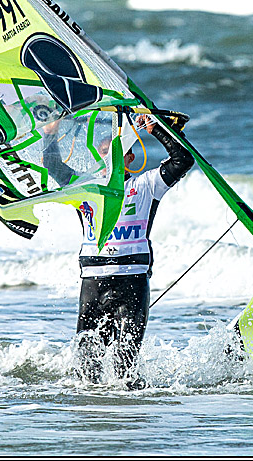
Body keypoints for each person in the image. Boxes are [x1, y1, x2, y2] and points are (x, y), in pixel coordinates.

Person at [75, 113, 193, 386]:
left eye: (117, 153)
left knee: (125, 365)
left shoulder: (146, 185)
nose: (109, 160)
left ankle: (129, 417)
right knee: (85, 368)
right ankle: (92, 415)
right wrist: (50, 133)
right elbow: (51, 169)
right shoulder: (83, 190)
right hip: (93, 282)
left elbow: (183, 160)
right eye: (103, 154)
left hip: (132, 280)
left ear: (129, 158)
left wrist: (156, 129)